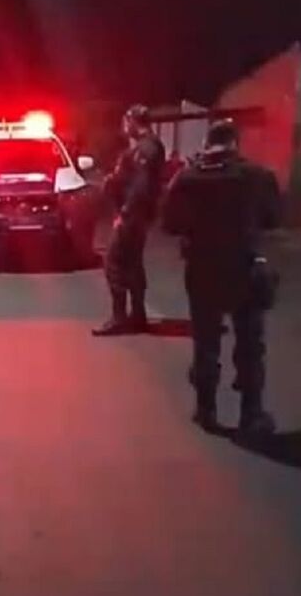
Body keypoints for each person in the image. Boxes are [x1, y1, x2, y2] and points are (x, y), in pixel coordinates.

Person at [161, 119, 282, 435]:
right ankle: (251, 415)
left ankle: (206, 410)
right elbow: (274, 218)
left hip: (202, 269)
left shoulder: (186, 178)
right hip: (245, 268)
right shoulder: (257, 176)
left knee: (206, 342)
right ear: (235, 143)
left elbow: (169, 224)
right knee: (250, 344)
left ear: (206, 143)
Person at [93, 104, 166, 335]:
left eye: (126, 122)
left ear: (134, 121)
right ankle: (137, 316)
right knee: (132, 263)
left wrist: (126, 212)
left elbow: (141, 186)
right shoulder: (141, 147)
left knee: (113, 261)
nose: (124, 127)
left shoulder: (148, 148)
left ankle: (120, 317)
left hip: (134, 215)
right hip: (136, 213)